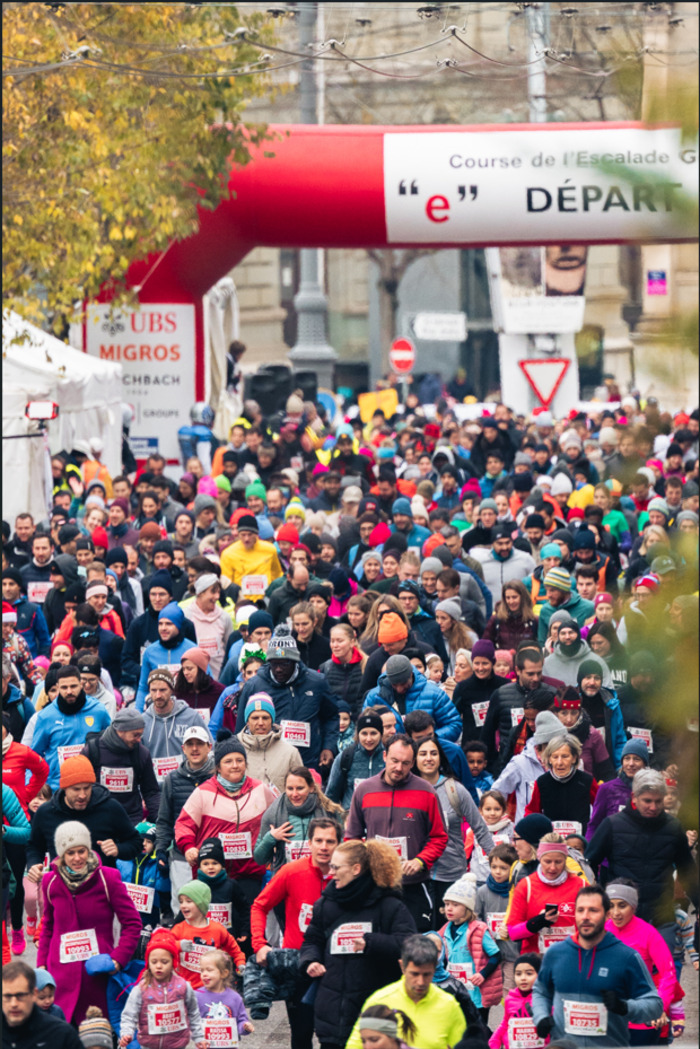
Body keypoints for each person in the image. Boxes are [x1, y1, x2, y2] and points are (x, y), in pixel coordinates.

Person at [300, 838, 417, 1049]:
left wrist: (371, 942)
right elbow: (312, 940)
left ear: (356, 869)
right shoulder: (325, 904)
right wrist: (311, 960)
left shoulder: (389, 905)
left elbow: (409, 945)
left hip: (374, 1015)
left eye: (336, 867)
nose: (330, 872)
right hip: (332, 1013)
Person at [531, 884, 663, 1048]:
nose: (585, 916)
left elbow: (654, 1005)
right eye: (580, 910)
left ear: (607, 915)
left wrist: (624, 1007)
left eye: (593, 910)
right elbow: (540, 991)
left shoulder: (627, 957)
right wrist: (541, 1017)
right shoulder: (556, 953)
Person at [36, 822, 141, 1025]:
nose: (77, 858)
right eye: (70, 853)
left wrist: (118, 960)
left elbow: (133, 923)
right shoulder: (50, 882)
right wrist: (42, 966)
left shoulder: (107, 878)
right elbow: (48, 926)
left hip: (97, 977)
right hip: (61, 979)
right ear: (62, 855)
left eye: (82, 851)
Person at [251, 818, 342, 1049]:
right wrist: (259, 944)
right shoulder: (291, 871)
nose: (324, 847)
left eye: (330, 841)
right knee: (301, 1036)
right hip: (297, 964)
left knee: (333, 1037)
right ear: (309, 843)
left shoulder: (347, 876)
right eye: (318, 841)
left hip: (336, 965)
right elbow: (259, 905)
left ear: (339, 844)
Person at [345, 734, 448, 931]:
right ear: (384, 756)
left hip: (414, 885)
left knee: (417, 946)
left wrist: (420, 861)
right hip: (375, 885)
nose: (399, 768)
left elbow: (439, 837)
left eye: (405, 763)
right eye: (394, 761)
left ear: (413, 764)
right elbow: (352, 837)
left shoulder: (426, 791)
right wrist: (364, 865)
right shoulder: (364, 790)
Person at [585, 769, 698, 948]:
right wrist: (594, 901)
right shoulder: (612, 825)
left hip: (661, 916)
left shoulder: (673, 827)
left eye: (658, 801)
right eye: (647, 801)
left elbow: (687, 871)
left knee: (664, 972)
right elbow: (588, 863)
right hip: (621, 916)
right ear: (634, 797)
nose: (653, 807)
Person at [174, 731, 277, 903]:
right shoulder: (203, 792)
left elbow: (277, 818)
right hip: (212, 872)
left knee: (246, 923)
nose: (235, 765)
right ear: (218, 767)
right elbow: (184, 824)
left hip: (250, 872)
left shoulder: (261, 789)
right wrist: (188, 847)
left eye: (239, 760)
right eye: (228, 762)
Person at [233, 631, 339, 773]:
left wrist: (329, 746)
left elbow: (332, 716)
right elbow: (241, 729)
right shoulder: (254, 685)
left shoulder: (316, 682)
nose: (278, 669)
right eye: (274, 664)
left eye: (284, 664)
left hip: (306, 762)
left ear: (295, 661)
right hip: (268, 764)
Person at [413, 735, 493, 920]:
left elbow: (480, 828)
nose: (428, 758)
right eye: (423, 753)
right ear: (414, 759)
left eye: (433, 753)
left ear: (440, 757)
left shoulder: (455, 789)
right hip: (418, 875)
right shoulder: (408, 789)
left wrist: (499, 861)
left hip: (450, 873)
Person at [25, 754, 141, 875]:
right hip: (62, 889)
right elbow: (34, 846)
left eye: (87, 788)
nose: (82, 795)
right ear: (64, 788)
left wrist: (119, 849)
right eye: (76, 789)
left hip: (101, 887)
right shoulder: (46, 812)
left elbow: (136, 843)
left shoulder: (110, 808)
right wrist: (34, 864)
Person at [345, 934, 466, 1049]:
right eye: (414, 974)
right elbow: (355, 1046)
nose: (420, 982)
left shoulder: (449, 1006)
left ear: (435, 967)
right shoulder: (379, 1001)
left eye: (427, 974)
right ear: (402, 966)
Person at [605, 880, 678, 1046]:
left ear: (634, 906)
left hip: (641, 1018)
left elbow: (669, 974)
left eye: (622, 905)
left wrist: (659, 1007)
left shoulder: (648, 934)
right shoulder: (601, 931)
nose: (615, 912)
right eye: (611, 905)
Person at [154, 723, 216, 912]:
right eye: (190, 744)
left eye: (199, 743)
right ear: (183, 749)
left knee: (211, 908)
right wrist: (161, 849)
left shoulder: (218, 777)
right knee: (182, 908)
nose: (195, 749)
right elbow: (164, 820)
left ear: (209, 747)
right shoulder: (172, 779)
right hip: (181, 855)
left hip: (212, 857)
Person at [25, 664, 112, 790]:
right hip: (57, 788)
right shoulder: (46, 717)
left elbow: (109, 745)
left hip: (90, 787)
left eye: (73, 686)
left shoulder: (98, 711)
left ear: (81, 684)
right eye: (64, 687)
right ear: (58, 687)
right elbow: (34, 756)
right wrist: (31, 786)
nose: (69, 691)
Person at [117, 927, 206, 1049]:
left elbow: (193, 1013)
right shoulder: (141, 989)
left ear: (173, 962)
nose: (159, 966)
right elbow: (129, 1015)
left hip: (177, 1045)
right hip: (149, 1045)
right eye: (154, 962)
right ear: (148, 963)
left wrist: (199, 1037)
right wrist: (126, 1033)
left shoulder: (183, 986)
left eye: (164, 962)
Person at [255, 765, 344, 872]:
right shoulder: (273, 813)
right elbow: (259, 859)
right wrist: (271, 837)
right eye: (290, 788)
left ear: (311, 787)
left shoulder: (329, 811)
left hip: (321, 877)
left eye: (300, 788)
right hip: (286, 879)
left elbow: (343, 850)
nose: (295, 794)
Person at [507, 834, 586, 954]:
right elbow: (513, 933)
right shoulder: (526, 886)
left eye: (558, 862)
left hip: (573, 959)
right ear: (539, 858)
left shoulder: (582, 886)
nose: (552, 867)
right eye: (547, 861)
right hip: (537, 962)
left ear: (566, 860)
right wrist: (538, 922)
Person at [81, 706, 161, 824]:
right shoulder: (93, 750)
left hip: (131, 820)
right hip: (98, 818)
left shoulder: (141, 754)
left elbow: (151, 792)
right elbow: (78, 786)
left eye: (140, 735)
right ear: (121, 730)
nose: (139, 740)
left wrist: (161, 822)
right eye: (135, 735)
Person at [439, 874, 502, 1022]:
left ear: (468, 908)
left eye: (455, 905)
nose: (449, 908)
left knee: (479, 1030)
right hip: (455, 990)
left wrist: (482, 975)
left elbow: (496, 955)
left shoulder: (479, 929)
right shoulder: (445, 929)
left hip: (477, 994)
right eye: (447, 904)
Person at [362, 654, 461, 743]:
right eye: (395, 685)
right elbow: (364, 728)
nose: (399, 689)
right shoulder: (375, 697)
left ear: (411, 675)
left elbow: (454, 724)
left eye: (403, 683)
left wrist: (430, 739)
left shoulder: (434, 694)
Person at [141, 668, 214, 774]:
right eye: (153, 690)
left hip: (186, 782)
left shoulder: (191, 716)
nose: (158, 695)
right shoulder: (143, 721)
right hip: (154, 785)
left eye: (162, 690)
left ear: (171, 690)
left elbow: (210, 749)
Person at [525, 733, 598, 836]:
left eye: (565, 756)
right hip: (551, 842)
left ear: (574, 758)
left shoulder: (586, 781)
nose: (560, 762)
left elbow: (601, 808)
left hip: (580, 842)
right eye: (555, 757)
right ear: (549, 759)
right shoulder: (542, 782)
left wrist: (592, 833)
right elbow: (532, 811)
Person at [2, 960, 83, 1049]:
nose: (14, 1004)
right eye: (7, 996)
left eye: (20, 996)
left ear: (34, 994)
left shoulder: (62, 1034)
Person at [236, 691, 302, 793]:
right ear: (247, 721)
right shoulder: (234, 749)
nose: (260, 723)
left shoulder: (290, 753)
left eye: (265, 718)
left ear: (272, 720)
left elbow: (300, 787)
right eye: (255, 718)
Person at [135, 602, 197, 710]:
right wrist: (139, 714)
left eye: (169, 624)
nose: (163, 628)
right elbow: (143, 688)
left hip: (186, 710)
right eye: (160, 624)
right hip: (159, 708)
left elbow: (206, 683)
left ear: (178, 626)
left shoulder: (193, 650)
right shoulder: (150, 652)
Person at [587, 739, 650, 839]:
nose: (631, 763)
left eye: (636, 759)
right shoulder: (606, 789)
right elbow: (594, 825)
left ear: (645, 764)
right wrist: (590, 852)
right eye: (627, 758)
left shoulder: (651, 790)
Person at [453, 639, 509, 742]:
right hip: (472, 748)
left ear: (493, 663)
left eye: (485, 663)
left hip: (497, 748)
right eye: (476, 663)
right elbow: (453, 718)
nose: (480, 668)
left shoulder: (505, 686)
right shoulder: (463, 688)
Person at [488, 952, 543, 1049]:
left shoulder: (544, 1000)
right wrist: (494, 1042)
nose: (523, 978)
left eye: (529, 973)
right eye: (518, 974)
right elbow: (505, 1024)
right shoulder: (510, 999)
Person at [196, 948, 254, 1040]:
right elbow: (191, 1019)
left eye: (209, 970)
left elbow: (241, 1020)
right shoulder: (197, 996)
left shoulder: (235, 998)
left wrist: (245, 1026)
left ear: (224, 973)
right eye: (202, 971)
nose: (204, 974)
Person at [172, 646, 225, 722]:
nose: (185, 673)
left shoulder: (220, 691)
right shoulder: (179, 691)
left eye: (189, 669)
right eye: (183, 669)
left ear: (201, 669)